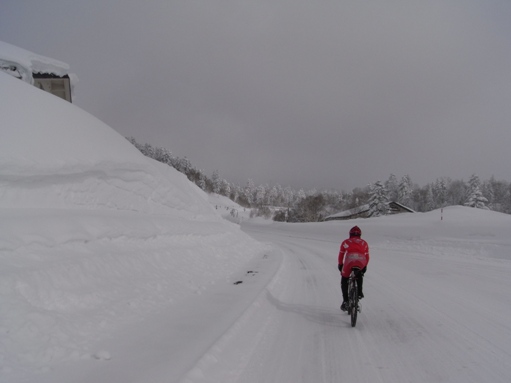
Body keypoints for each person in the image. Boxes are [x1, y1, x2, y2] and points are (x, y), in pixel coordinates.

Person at [338, 225, 370, 311]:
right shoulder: (364, 243)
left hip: (349, 260)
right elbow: (367, 256)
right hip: (361, 261)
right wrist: (364, 266)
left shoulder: (346, 242)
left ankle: (345, 301)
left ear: (350, 234)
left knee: (344, 278)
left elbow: (341, 254)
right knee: (359, 274)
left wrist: (340, 265)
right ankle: (359, 292)